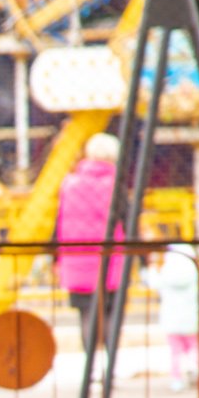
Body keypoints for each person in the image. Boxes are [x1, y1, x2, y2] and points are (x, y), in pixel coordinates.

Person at [55, 132, 127, 358]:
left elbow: (59, 222)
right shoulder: (115, 186)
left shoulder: (70, 184)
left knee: (86, 314)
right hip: (110, 258)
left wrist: (56, 257)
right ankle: (110, 364)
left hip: (76, 258)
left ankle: (91, 366)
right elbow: (127, 219)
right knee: (110, 313)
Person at [149, 227, 199, 393]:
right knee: (193, 348)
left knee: (175, 352)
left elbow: (154, 283)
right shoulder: (194, 272)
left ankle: (177, 378)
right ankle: (193, 367)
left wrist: (149, 269)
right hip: (191, 318)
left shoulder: (167, 271)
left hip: (172, 319)